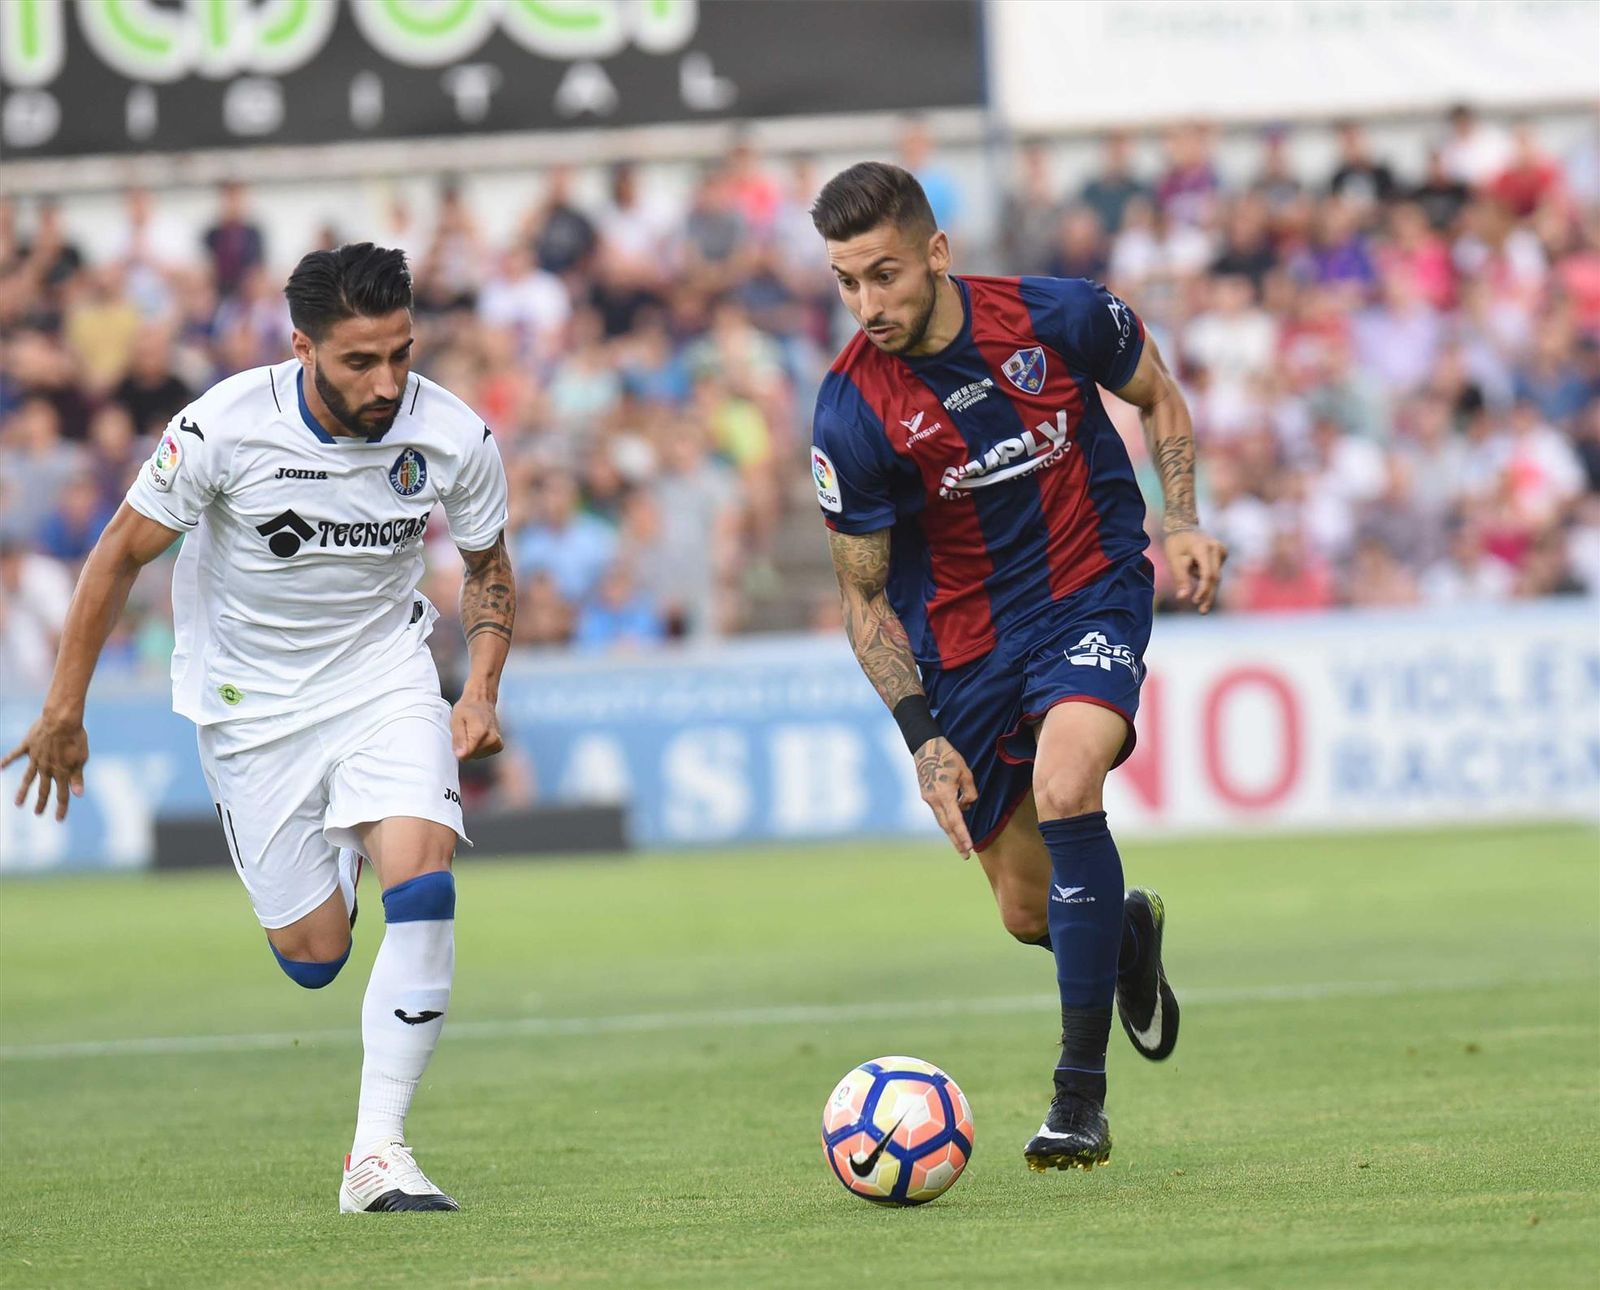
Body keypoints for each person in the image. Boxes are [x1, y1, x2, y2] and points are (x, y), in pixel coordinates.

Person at [2, 244, 514, 1213]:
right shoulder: (224, 428)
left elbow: (488, 568)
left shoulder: (453, 435)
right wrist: (63, 709)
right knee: (315, 957)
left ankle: (378, 1155)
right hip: (251, 709)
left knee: (424, 879)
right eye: (360, 361)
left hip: (384, 677)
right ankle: (343, 859)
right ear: (303, 349)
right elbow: (117, 555)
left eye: (400, 355)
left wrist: (480, 687)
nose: (387, 383)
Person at [807, 164, 1225, 1174]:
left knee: (1068, 781)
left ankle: (1078, 1099)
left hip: (1090, 588)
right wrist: (924, 740)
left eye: (884, 275)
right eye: (847, 283)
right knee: (1028, 910)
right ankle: (1122, 934)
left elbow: (1159, 395)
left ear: (936, 253)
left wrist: (1180, 520)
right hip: (963, 648)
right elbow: (865, 601)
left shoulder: (1057, 315)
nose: (868, 304)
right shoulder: (851, 412)